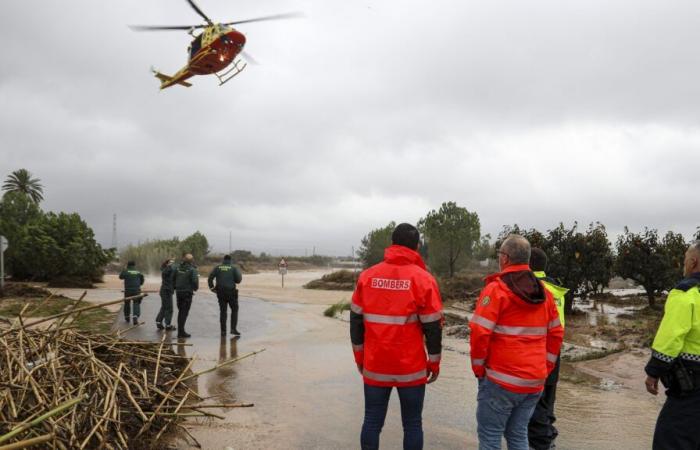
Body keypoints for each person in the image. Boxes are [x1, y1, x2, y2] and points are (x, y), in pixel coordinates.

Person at [350, 223, 443, 450]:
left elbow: (355, 324)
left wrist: (360, 358)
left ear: (392, 244)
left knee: (372, 422)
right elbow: (433, 327)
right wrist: (434, 362)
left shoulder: (367, 277)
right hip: (410, 368)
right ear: (417, 246)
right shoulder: (423, 279)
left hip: (375, 364)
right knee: (412, 424)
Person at [469, 235, 564, 450]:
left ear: (505, 258)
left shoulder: (496, 290)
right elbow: (556, 333)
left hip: (501, 380)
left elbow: (479, 331)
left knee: (490, 436)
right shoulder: (545, 294)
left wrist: (478, 368)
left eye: (499, 255)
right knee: (518, 434)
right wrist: (546, 367)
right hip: (534, 381)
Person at [644, 241, 700, 450]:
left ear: (693, 262)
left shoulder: (686, 293)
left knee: (670, 439)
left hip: (691, 386)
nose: (684, 265)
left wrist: (653, 372)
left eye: (685, 260)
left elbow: (671, 338)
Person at [527, 248, 568, 450]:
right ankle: (549, 437)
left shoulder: (532, 288)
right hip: (555, 350)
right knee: (548, 400)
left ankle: (542, 443)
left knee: (536, 404)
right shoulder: (555, 286)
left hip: (538, 350)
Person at [208, 255, 243, 337]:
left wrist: (212, 288)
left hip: (220, 293)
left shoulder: (217, 268)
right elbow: (238, 280)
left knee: (223, 312)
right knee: (234, 310)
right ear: (230, 260)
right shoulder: (233, 268)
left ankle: (223, 331)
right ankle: (233, 329)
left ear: (223, 260)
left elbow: (210, 278)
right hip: (231, 293)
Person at [172, 253, 199, 338]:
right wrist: (195, 288)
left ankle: (181, 331)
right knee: (184, 312)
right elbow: (195, 281)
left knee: (181, 312)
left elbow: (173, 278)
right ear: (191, 261)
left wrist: (175, 287)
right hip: (187, 293)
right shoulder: (192, 269)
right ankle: (181, 332)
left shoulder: (178, 267)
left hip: (179, 293)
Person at [119, 261, 145, 325]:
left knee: (127, 303)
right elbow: (142, 280)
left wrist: (124, 269)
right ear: (134, 265)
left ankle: (127, 316)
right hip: (136, 290)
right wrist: (139, 284)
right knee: (136, 303)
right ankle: (135, 316)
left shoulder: (126, 271)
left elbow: (120, 277)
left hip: (127, 290)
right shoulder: (138, 272)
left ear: (128, 265)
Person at [155, 258, 177, 331]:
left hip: (166, 291)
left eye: (173, 263)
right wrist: (170, 266)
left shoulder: (169, 270)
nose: (172, 264)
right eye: (171, 263)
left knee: (164, 307)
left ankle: (158, 322)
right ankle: (168, 325)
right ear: (167, 264)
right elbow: (166, 272)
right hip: (166, 291)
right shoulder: (166, 270)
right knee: (169, 308)